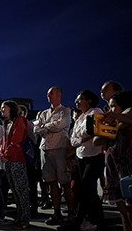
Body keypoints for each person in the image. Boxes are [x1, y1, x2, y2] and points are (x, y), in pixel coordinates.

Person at [58, 90, 105, 231]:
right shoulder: (80, 118)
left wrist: (80, 138)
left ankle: (80, 221)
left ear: (89, 100)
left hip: (94, 156)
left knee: (86, 189)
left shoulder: (95, 112)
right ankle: (95, 221)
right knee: (87, 191)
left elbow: (89, 132)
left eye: (80, 99)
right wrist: (81, 139)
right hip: (81, 157)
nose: (76, 102)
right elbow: (73, 139)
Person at [33, 87, 75, 225]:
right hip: (45, 149)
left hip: (60, 148)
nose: (48, 95)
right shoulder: (44, 113)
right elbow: (36, 129)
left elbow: (60, 125)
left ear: (59, 95)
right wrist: (48, 128)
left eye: (51, 93)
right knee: (51, 182)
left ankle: (71, 213)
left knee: (65, 183)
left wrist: (45, 127)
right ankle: (57, 213)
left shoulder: (66, 111)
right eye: (47, 94)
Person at [95, 91, 132, 231]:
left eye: (113, 106)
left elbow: (129, 115)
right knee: (123, 211)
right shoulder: (116, 121)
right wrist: (114, 126)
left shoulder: (127, 113)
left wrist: (112, 122)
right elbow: (97, 140)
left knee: (130, 208)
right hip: (114, 168)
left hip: (128, 168)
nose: (109, 110)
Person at [0, 100, 31, 230]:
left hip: (17, 159)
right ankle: (19, 216)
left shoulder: (20, 120)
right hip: (8, 160)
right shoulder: (7, 123)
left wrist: (6, 154)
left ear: (11, 108)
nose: (1, 109)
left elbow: (17, 140)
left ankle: (25, 218)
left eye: (4, 107)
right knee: (14, 189)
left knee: (21, 190)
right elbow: (4, 141)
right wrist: (2, 154)